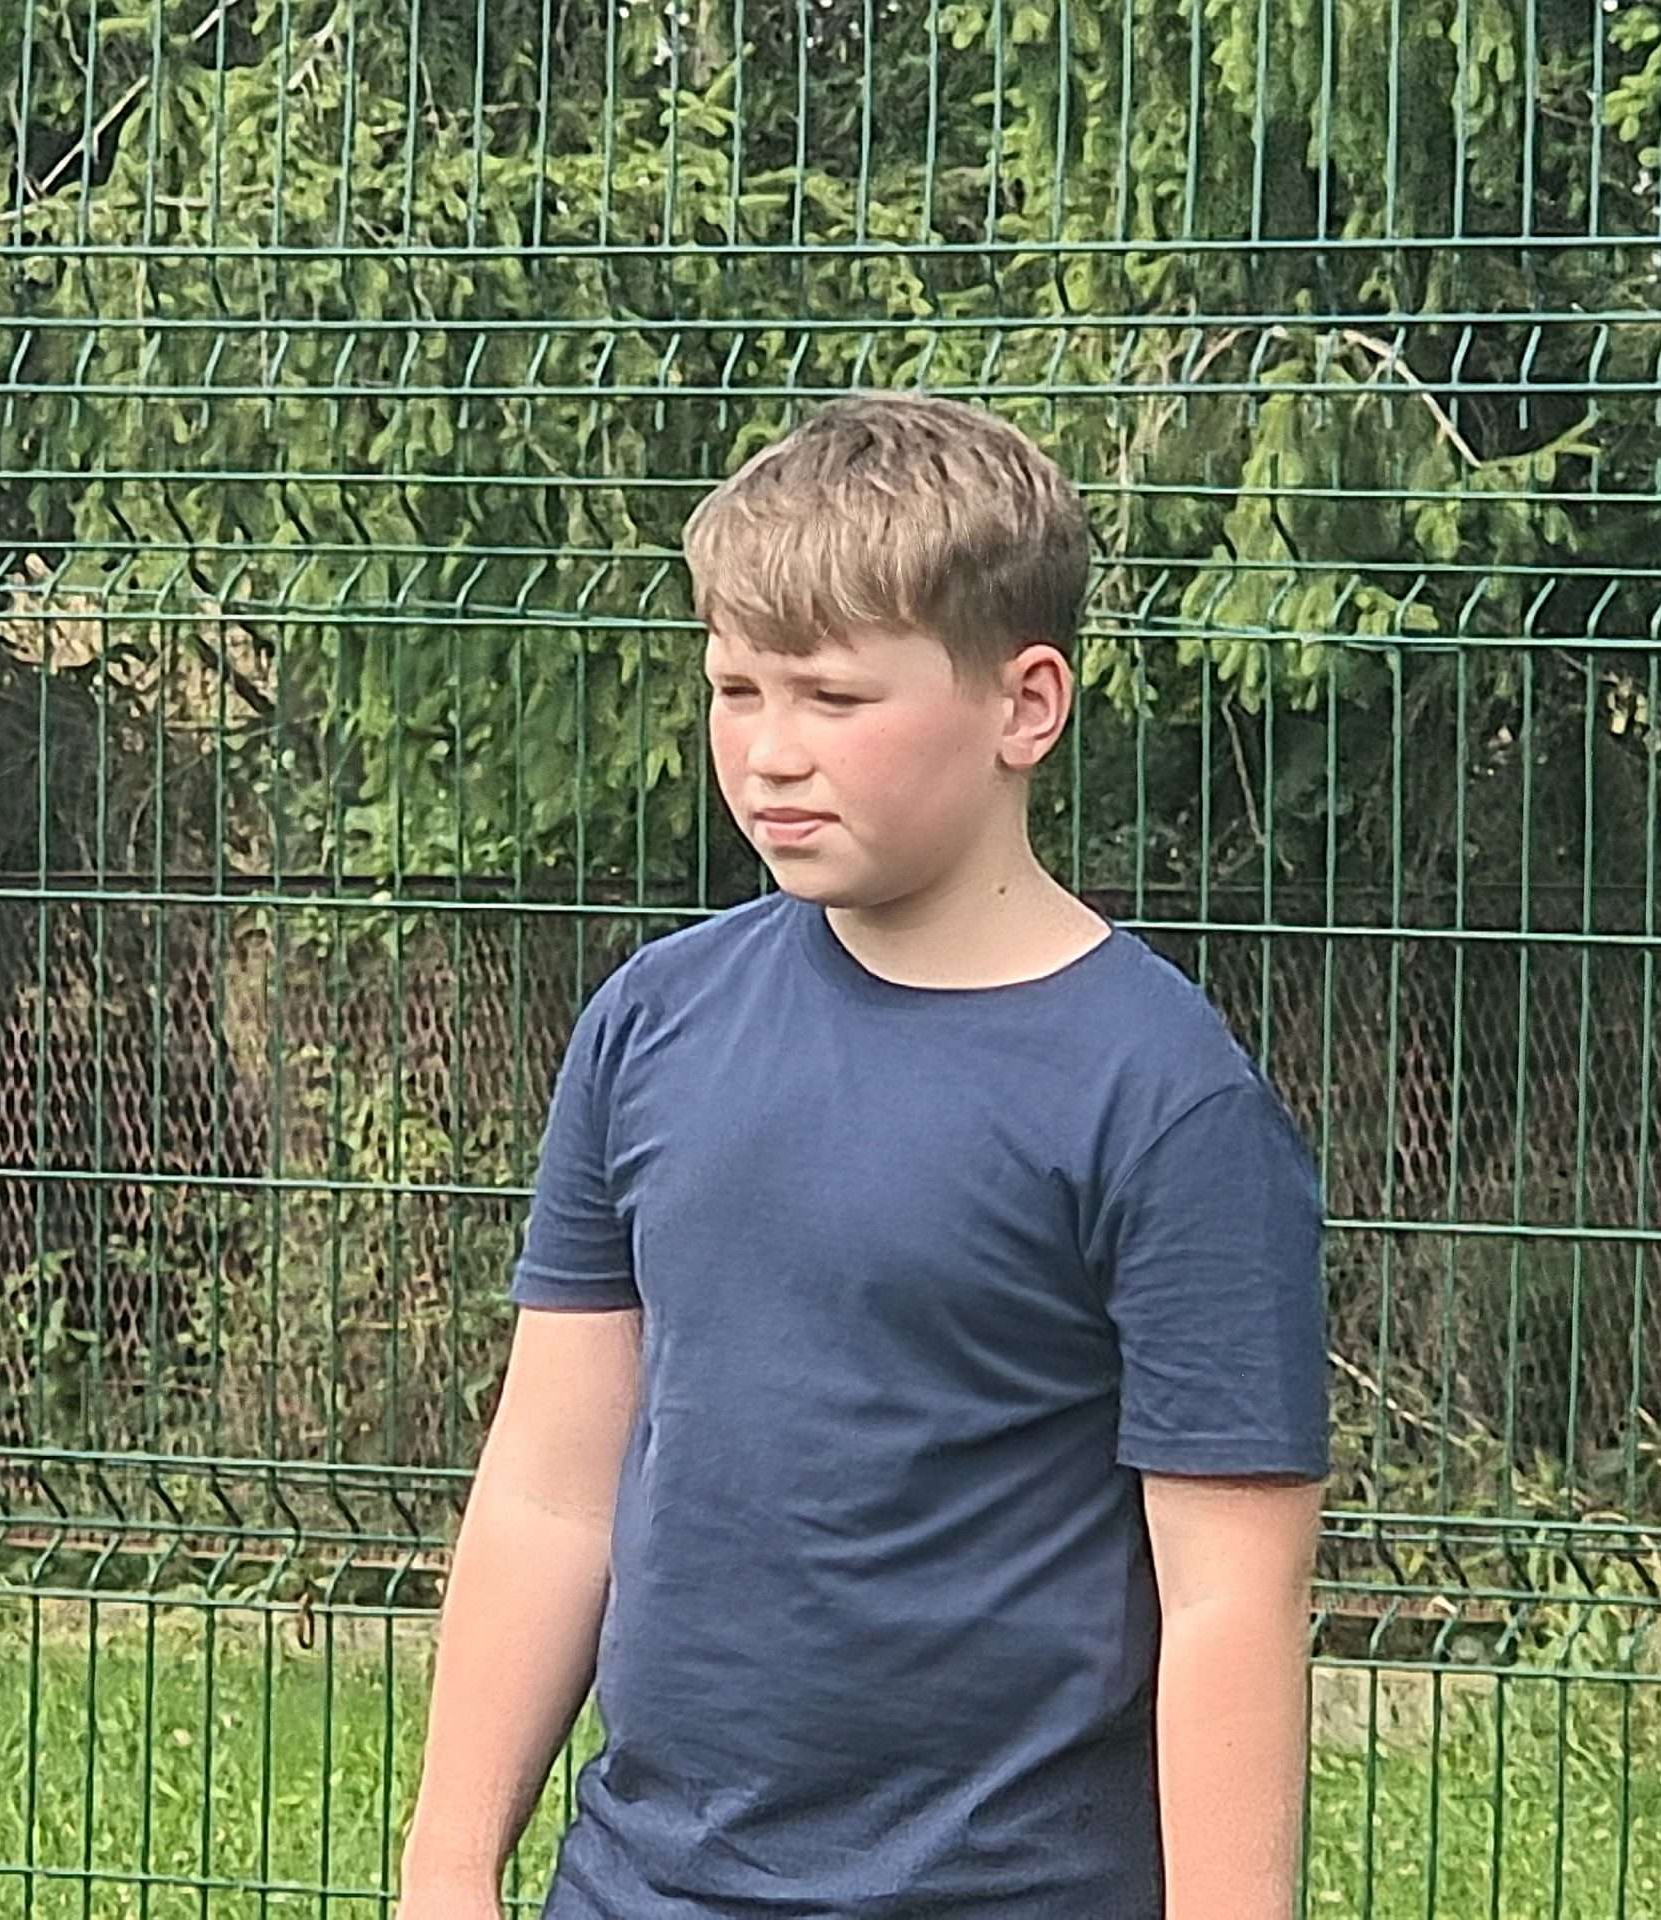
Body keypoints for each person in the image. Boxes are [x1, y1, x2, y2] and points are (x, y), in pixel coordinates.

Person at [398, 391, 1331, 1920]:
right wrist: (446, 1866)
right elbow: (551, 1488)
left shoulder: (1167, 1103)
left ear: (1026, 705)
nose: (769, 753)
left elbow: (1231, 1595)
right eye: (736, 687)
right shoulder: (652, 1025)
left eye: (833, 699)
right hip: (641, 1886)